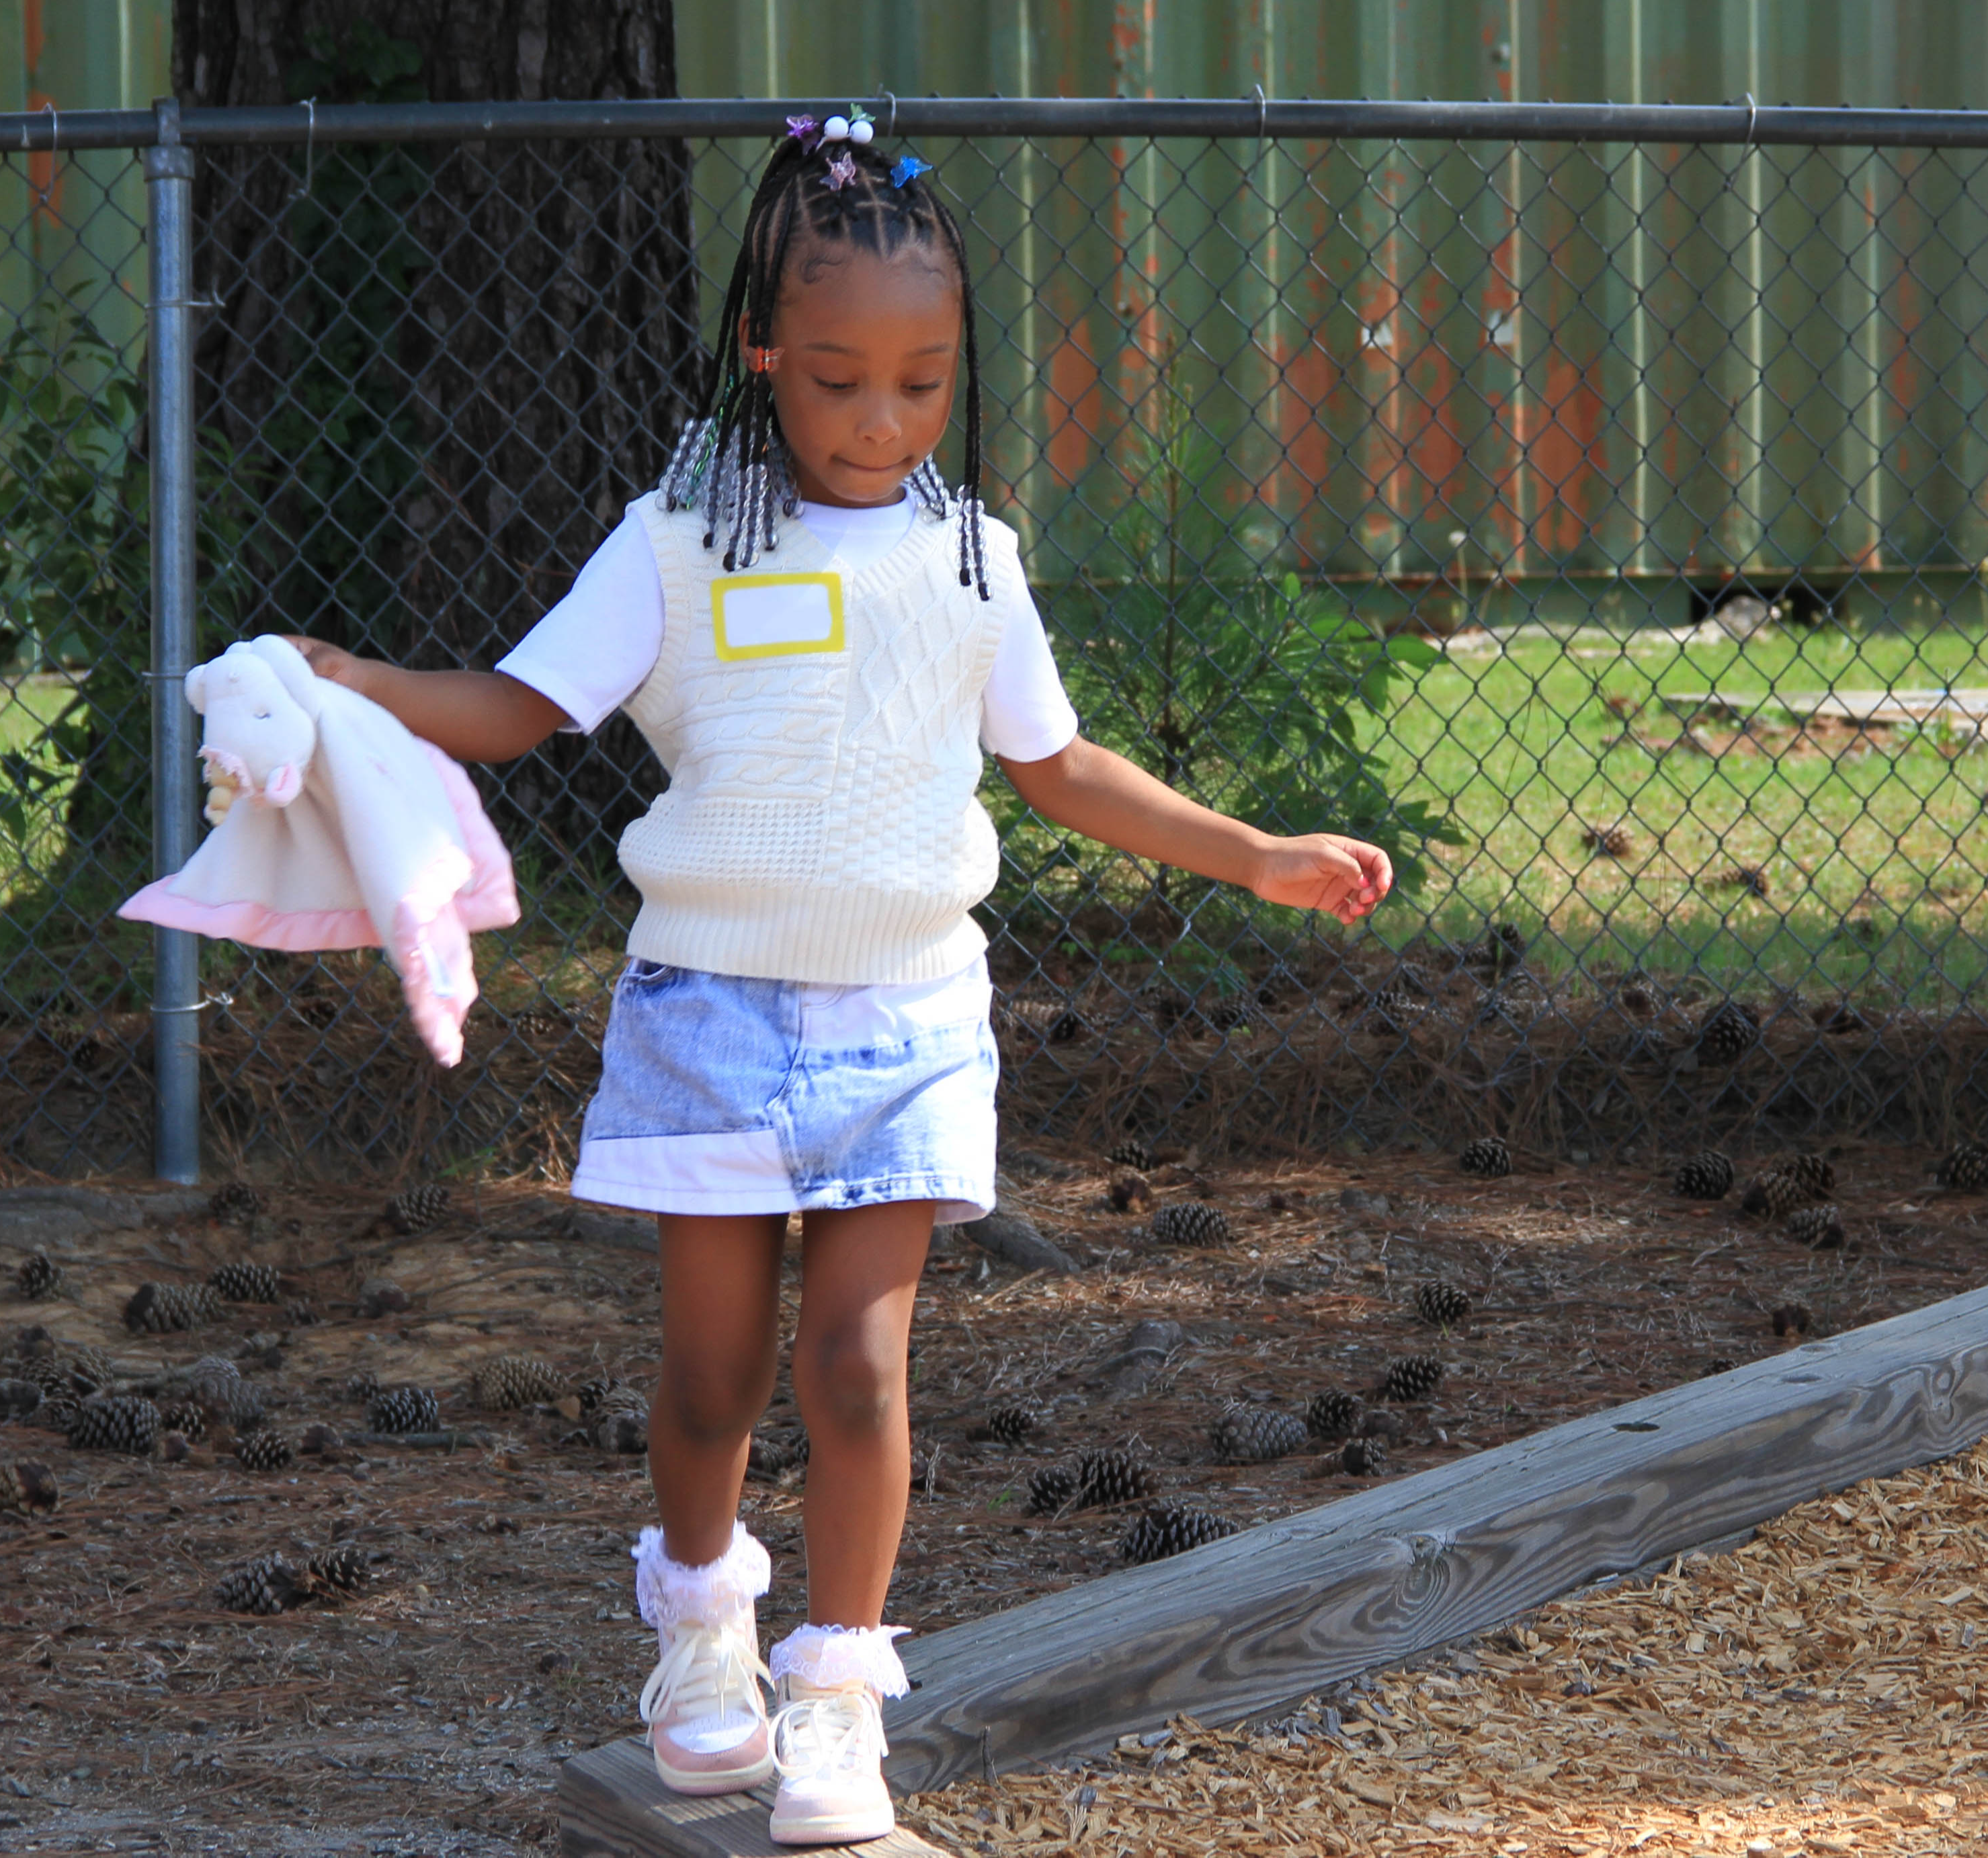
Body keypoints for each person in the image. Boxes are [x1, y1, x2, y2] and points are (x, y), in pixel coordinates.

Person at [286, 111, 1393, 1846]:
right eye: (836, 380)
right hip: (707, 1017)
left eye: (922, 383)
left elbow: (1059, 763)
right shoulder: (673, 543)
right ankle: (702, 1635)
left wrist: (1253, 851)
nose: (881, 421)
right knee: (713, 1377)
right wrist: (354, 681)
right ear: (761, 357)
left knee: (859, 1371)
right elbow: (521, 706)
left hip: (909, 1025)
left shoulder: (970, 558)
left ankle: (835, 1686)